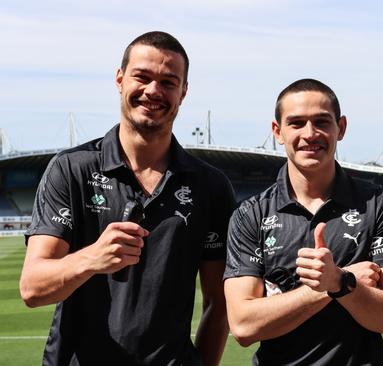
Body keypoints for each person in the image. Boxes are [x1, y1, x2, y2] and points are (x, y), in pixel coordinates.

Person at [19, 31, 235, 365]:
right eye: (142, 77)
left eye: (168, 81)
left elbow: (218, 305)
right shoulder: (71, 169)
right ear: (120, 79)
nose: (153, 91)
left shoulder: (211, 186)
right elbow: (33, 288)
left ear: (184, 91)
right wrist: (92, 258)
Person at [223, 78, 383, 365]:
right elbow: (244, 327)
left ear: (341, 127)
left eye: (321, 122)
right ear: (278, 131)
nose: (310, 134)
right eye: (296, 123)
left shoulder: (378, 204)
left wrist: (336, 280)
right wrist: (336, 285)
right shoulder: (251, 214)